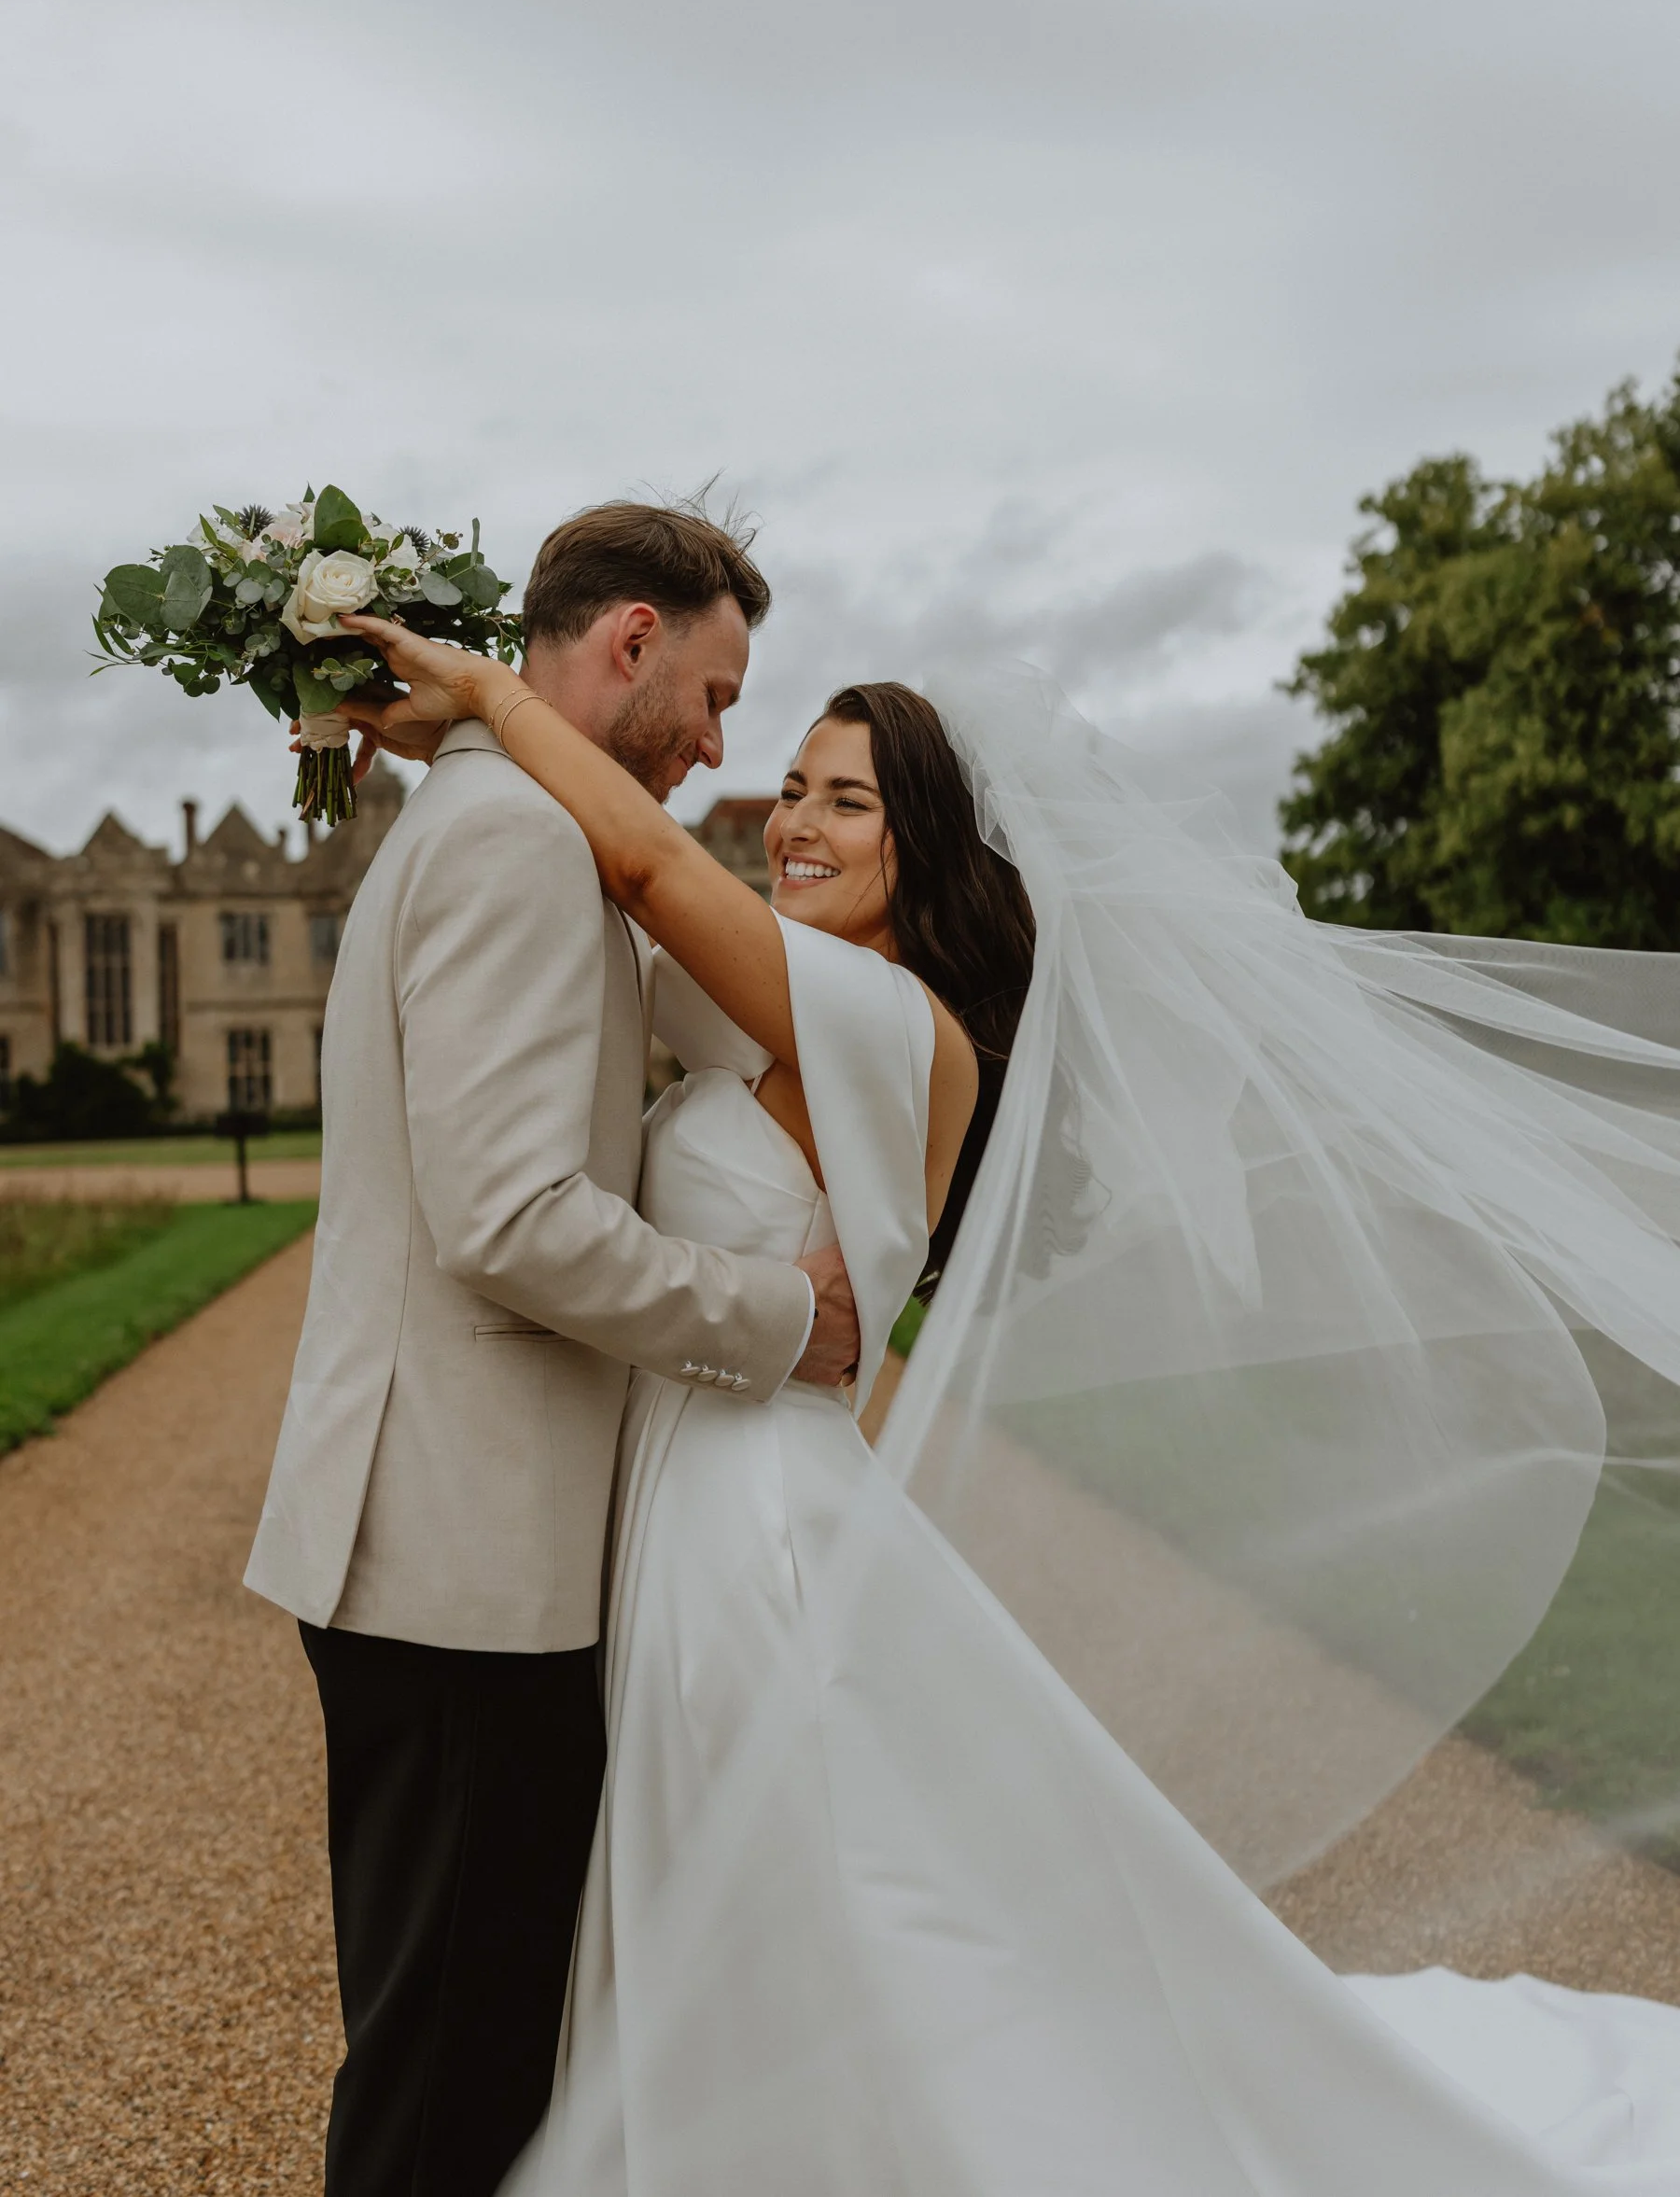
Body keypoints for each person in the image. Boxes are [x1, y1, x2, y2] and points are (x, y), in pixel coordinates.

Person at [342, 609, 1680, 2191]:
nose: (791, 819)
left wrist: (496, 691)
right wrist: (470, 755)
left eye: (849, 798)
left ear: (932, 847)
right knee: (755, 1896)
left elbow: (638, 868)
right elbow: (611, 914)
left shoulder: (892, 1023)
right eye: (788, 785)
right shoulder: (782, 994)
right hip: (687, 1499)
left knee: (787, 1902)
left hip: (748, 1527)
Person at [243, 502, 861, 2197]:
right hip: (464, 1571)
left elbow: (709, 990)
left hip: (451, 1555)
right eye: (719, 697)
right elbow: (508, 1215)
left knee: (467, 2052)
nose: (725, 743)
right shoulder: (518, 840)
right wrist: (784, 1315)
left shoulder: (512, 817)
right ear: (634, 640)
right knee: (451, 2085)